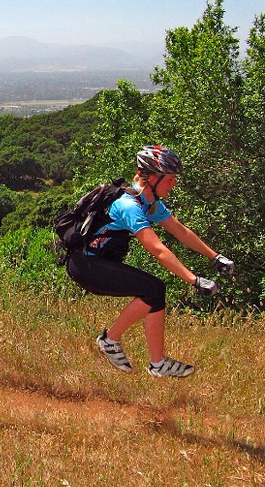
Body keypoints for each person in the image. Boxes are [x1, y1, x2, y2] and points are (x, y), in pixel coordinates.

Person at [66, 145, 234, 377]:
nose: (173, 184)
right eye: (170, 179)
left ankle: (157, 363)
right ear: (153, 178)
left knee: (154, 291)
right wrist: (194, 280)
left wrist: (215, 256)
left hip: (96, 262)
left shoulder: (149, 201)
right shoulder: (129, 206)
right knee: (153, 289)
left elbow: (180, 230)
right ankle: (111, 341)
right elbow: (158, 249)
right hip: (86, 265)